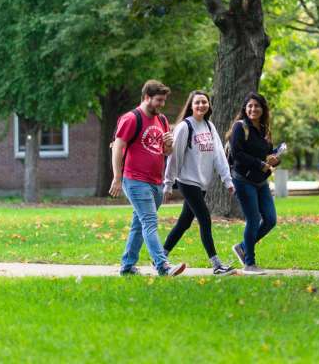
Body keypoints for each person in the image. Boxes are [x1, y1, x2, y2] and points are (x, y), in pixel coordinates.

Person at [109, 79, 186, 277]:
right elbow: (118, 147)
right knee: (150, 222)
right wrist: (117, 177)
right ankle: (162, 266)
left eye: (163, 101)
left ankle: (127, 266)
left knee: (139, 223)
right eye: (158, 100)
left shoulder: (162, 120)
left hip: (155, 181)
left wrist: (169, 144)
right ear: (146, 97)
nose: (162, 104)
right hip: (135, 180)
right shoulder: (131, 118)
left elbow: (166, 152)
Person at [163, 90, 236, 276]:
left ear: (209, 105)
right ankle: (216, 264)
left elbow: (219, 155)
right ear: (191, 105)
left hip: (202, 183)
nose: (201, 105)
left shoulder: (209, 126)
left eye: (204, 102)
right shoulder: (184, 127)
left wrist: (227, 179)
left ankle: (160, 257)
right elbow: (174, 157)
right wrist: (168, 183)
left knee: (184, 223)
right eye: (197, 102)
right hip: (187, 181)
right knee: (205, 218)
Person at [227, 92, 279, 275]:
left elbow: (268, 153)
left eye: (257, 106)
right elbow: (237, 154)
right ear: (245, 108)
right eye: (250, 106)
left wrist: (275, 159)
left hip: (261, 181)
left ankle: (242, 247)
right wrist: (260, 164)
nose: (253, 109)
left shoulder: (265, 129)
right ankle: (249, 263)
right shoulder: (240, 127)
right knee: (253, 220)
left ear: (263, 109)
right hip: (243, 180)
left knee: (271, 219)